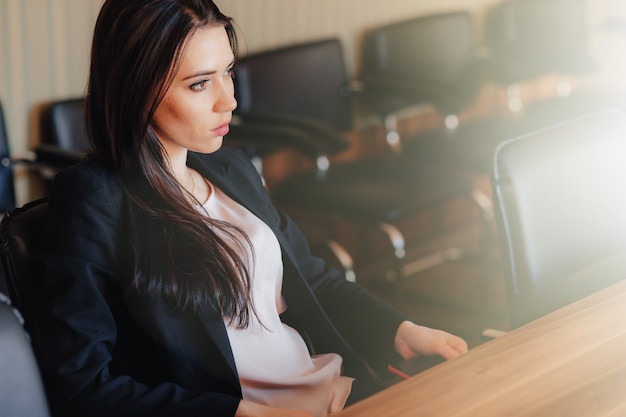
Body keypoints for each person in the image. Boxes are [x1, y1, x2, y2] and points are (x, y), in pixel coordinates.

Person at [29, 1, 468, 416]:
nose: (229, 100)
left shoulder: (231, 170)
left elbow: (310, 278)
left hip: (339, 392)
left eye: (229, 72)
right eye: (200, 83)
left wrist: (399, 329)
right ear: (137, 88)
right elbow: (80, 387)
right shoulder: (94, 200)